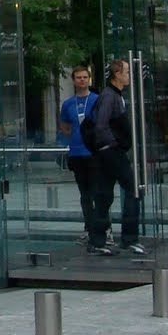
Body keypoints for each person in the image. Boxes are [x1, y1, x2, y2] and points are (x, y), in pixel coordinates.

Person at [86, 58, 146, 256]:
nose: (129, 75)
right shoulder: (110, 96)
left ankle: (97, 240)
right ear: (117, 75)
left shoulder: (112, 95)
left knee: (104, 196)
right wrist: (114, 144)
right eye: (127, 71)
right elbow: (101, 125)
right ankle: (129, 238)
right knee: (132, 189)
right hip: (111, 152)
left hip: (106, 151)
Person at [58, 66, 99, 241]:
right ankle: (89, 227)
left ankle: (104, 228)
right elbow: (65, 126)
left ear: (89, 79)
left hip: (94, 154)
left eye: (85, 77)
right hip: (77, 153)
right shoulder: (68, 104)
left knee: (98, 193)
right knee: (85, 194)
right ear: (74, 80)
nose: (82, 80)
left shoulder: (98, 100)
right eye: (78, 77)